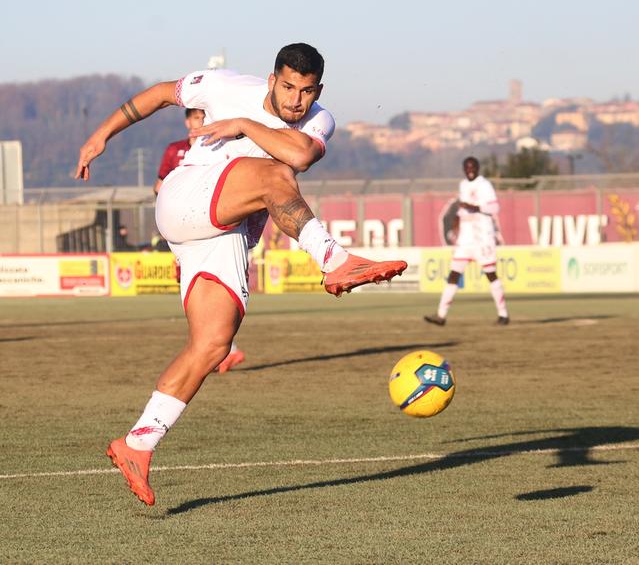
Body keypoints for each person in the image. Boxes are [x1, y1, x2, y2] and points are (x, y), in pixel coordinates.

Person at [74, 43, 407, 506]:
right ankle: (334, 260)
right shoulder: (226, 85)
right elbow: (156, 95)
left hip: (221, 234)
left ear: (318, 91)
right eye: (288, 86)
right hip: (186, 197)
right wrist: (102, 134)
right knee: (274, 173)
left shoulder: (319, 120)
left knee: (211, 345)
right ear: (272, 80)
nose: (296, 100)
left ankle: (138, 443)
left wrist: (245, 126)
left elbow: (302, 155)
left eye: (306, 91)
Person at [154, 107, 245, 374]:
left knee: (217, 289)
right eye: (195, 118)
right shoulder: (175, 150)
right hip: (185, 228)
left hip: (214, 226)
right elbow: (159, 185)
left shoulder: (220, 146)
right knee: (194, 289)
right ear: (187, 122)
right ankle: (222, 348)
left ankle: (222, 348)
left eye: (204, 117)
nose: (200, 122)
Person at [424, 156, 509, 326]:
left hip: (482, 237)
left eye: (473, 167)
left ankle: (503, 314)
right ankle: (441, 315)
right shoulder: (463, 185)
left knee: (491, 274)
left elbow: (494, 207)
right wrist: (457, 219)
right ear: (464, 169)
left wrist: (475, 208)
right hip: (466, 239)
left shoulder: (484, 185)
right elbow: (463, 209)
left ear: (478, 168)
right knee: (454, 274)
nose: (470, 170)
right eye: (467, 167)